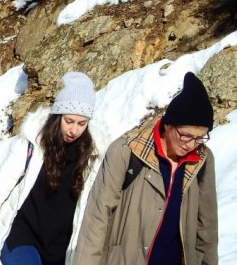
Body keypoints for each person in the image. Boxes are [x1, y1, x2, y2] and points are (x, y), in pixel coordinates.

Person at [73, 72, 217, 265]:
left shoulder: (202, 160)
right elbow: (97, 218)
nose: (191, 144)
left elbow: (206, 228)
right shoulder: (126, 151)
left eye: (200, 138)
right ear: (168, 125)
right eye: (185, 135)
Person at [0, 71, 98, 265]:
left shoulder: (93, 156)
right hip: (23, 234)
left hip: (61, 246)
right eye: (69, 121)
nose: (74, 130)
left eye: (81, 123)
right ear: (58, 115)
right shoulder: (32, 144)